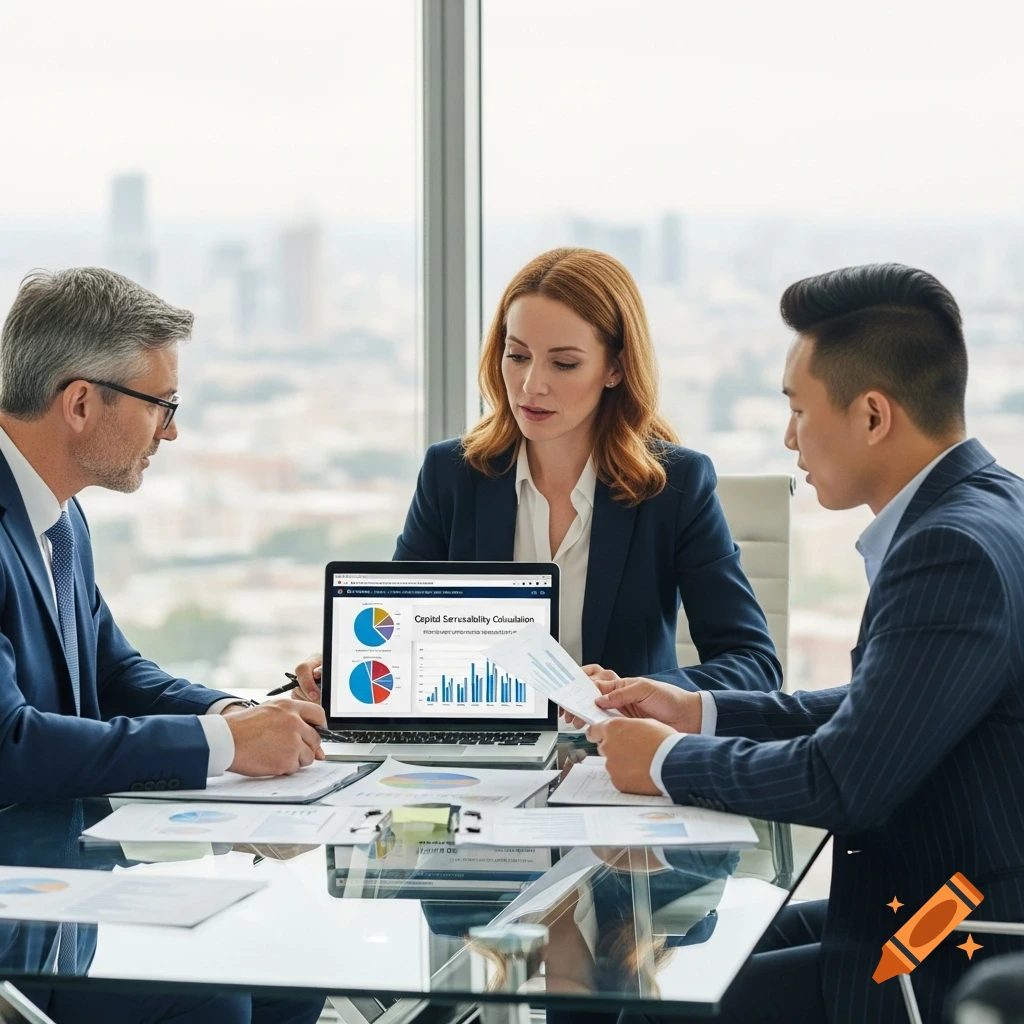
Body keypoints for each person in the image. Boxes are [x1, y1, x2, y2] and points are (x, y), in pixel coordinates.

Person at [585, 264, 1024, 1024]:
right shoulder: (991, 502)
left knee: (659, 1006)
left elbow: (842, 782)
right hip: (942, 901)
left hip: (956, 940)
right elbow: (884, 707)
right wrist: (702, 713)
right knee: (688, 961)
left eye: (797, 409)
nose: (789, 436)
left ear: (874, 416)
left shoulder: (947, 549)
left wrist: (661, 760)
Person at [291, 247, 781, 701]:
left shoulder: (675, 487)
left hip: (615, 754)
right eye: (517, 355)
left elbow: (754, 663)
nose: (531, 385)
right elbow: (394, 630)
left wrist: (634, 690)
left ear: (615, 368)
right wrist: (339, 667)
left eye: (564, 364)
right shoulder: (452, 475)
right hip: (478, 751)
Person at [0, 268, 328, 808]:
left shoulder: (59, 516)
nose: (170, 430)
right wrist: (222, 745)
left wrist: (235, 715)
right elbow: (8, 744)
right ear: (80, 403)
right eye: (159, 403)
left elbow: (108, 673)